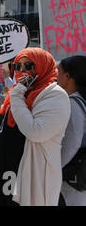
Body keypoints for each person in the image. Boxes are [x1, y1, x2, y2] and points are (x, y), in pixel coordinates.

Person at [0, 48, 71, 206]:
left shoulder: (54, 95)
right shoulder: (18, 93)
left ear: (41, 66)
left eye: (28, 65)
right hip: (7, 171)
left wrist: (17, 95)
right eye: (18, 66)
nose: (22, 71)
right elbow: (14, 125)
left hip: (32, 174)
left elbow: (35, 132)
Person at [57, 56, 86, 206]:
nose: (56, 76)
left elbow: (72, 143)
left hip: (72, 182)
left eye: (59, 72)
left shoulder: (73, 103)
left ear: (68, 76)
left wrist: (54, 168)